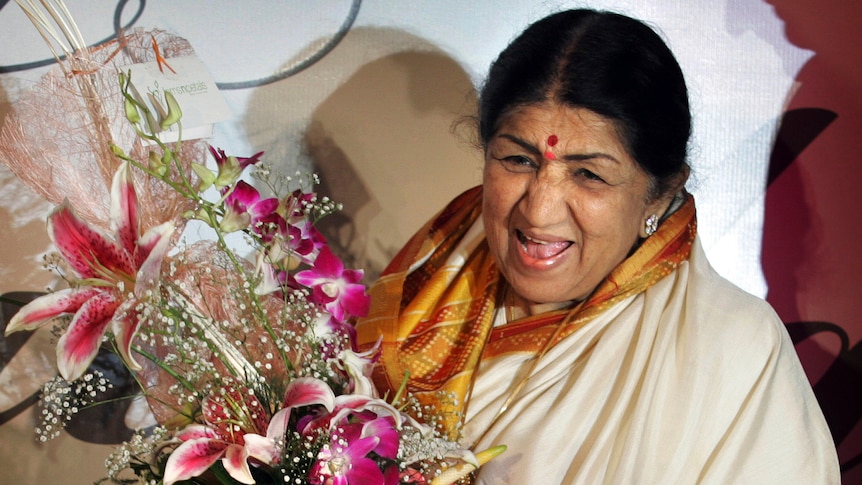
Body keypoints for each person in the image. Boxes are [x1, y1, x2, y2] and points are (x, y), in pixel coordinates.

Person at [355, 8, 839, 484]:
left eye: (589, 174)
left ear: (661, 193)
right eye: (518, 160)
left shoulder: (735, 352)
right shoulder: (427, 282)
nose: (539, 210)